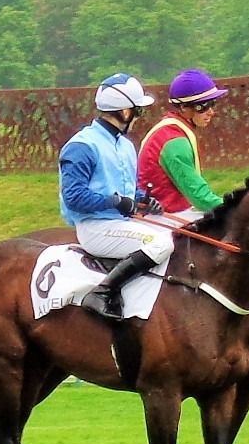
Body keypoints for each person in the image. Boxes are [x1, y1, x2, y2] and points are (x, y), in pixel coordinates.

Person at [61, 73, 174, 318]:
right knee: (162, 243)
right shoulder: (82, 146)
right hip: (95, 227)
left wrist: (143, 199)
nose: (138, 117)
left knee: (175, 234)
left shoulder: (124, 145)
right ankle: (102, 292)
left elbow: (126, 190)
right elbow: (73, 197)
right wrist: (115, 201)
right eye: (138, 111)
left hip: (120, 223)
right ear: (124, 112)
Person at [136, 68, 229, 225]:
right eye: (203, 106)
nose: (211, 112)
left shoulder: (173, 129)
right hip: (160, 218)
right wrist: (236, 209)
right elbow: (200, 198)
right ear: (184, 107)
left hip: (172, 212)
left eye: (213, 103)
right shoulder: (174, 141)